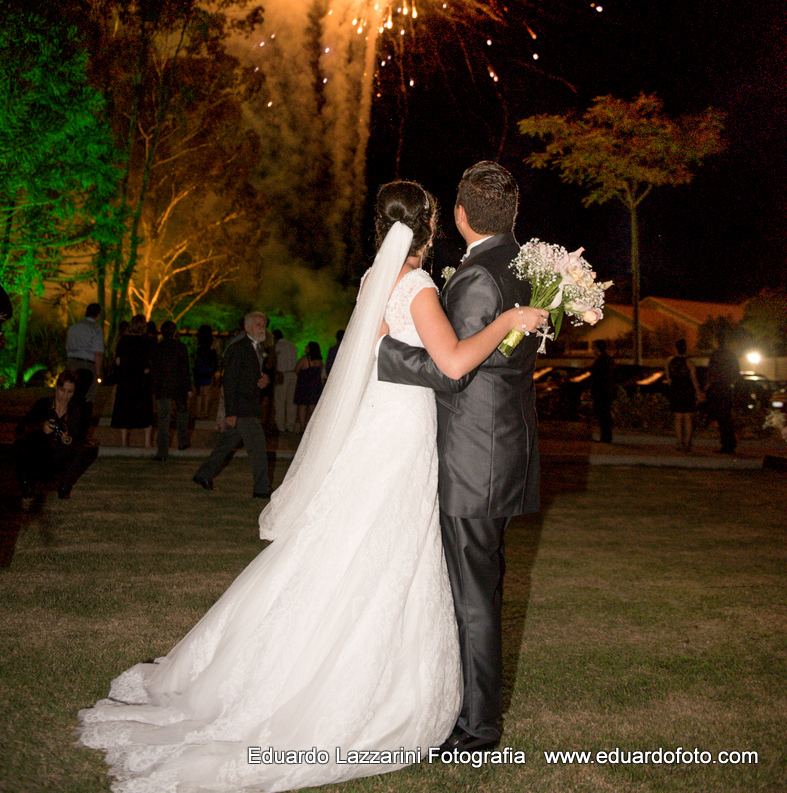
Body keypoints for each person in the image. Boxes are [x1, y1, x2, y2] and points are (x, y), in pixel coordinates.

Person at [79, 180, 542, 791]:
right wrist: (509, 319)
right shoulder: (420, 287)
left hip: (380, 426)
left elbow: (377, 355)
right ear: (430, 229)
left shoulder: (376, 280)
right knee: (385, 551)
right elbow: (452, 364)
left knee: (353, 547)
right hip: (403, 433)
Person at [377, 161, 543, 754]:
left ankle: (477, 729)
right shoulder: (525, 267)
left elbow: (454, 371)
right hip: (504, 448)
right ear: (512, 214)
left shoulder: (475, 278)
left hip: (474, 457)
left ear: (461, 214)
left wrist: (383, 354)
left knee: (473, 597)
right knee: (481, 587)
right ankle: (469, 709)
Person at [192, 311, 272, 497]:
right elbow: (229, 382)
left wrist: (265, 380)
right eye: (258, 324)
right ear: (247, 327)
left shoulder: (258, 347)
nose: (262, 328)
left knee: (226, 445)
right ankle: (262, 489)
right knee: (258, 448)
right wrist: (231, 412)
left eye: (264, 325)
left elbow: (258, 374)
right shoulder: (238, 348)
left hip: (250, 405)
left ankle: (203, 475)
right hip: (243, 408)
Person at [14, 370, 96, 502]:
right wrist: (41, 427)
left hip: (60, 455)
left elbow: (81, 436)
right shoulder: (43, 405)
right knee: (21, 444)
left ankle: (64, 488)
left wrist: (69, 439)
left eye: (70, 392)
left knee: (80, 450)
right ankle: (26, 485)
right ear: (57, 388)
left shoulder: (76, 411)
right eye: (62, 390)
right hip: (41, 453)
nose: (65, 396)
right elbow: (22, 427)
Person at [149, 320, 192, 460]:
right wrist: (188, 387)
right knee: (182, 413)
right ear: (174, 332)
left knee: (163, 419)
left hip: (163, 386)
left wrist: (154, 386)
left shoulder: (157, 347)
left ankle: (162, 451)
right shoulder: (181, 347)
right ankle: (182, 442)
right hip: (179, 386)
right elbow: (185, 369)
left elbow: (154, 369)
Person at [110, 314, 154, 449]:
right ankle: (147, 442)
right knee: (146, 411)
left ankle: (124, 441)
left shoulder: (123, 341)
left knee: (124, 410)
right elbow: (150, 361)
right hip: (141, 380)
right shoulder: (146, 341)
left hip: (126, 379)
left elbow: (118, 361)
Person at [65, 302, 105, 442]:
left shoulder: (73, 327)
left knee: (70, 397)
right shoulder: (96, 329)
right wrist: (98, 373)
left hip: (72, 363)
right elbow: (98, 353)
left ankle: (69, 430)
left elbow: (67, 346)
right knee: (88, 399)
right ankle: (81, 434)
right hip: (88, 365)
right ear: (98, 314)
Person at [665, 338, 703, 452]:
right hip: (687, 391)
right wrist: (698, 393)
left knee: (677, 418)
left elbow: (669, 379)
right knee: (688, 418)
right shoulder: (689, 363)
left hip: (676, 391)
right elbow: (694, 380)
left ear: (675, 348)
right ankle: (687, 443)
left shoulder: (669, 362)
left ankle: (679, 443)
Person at [706, 332, 739, 455]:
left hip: (718, 387)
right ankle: (730, 443)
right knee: (727, 416)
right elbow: (737, 372)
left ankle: (726, 445)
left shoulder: (715, 355)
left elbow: (710, 371)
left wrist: (710, 384)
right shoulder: (731, 355)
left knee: (721, 417)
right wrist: (730, 382)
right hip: (726, 387)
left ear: (717, 341)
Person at [293, 341, 324, 432]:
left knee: (302, 406)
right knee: (312, 405)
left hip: (304, 385)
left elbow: (296, 369)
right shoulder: (320, 361)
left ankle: (303, 427)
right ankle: (313, 426)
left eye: (307, 347)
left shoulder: (304, 359)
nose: (305, 348)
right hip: (315, 386)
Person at [272, 328, 298, 433]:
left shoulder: (277, 347)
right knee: (291, 401)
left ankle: (280, 426)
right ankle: (290, 425)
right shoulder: (293, 346)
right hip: (293, 374)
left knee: (280, 401)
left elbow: (274, 362)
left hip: (282, 375)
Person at [589, 338, 615, 444]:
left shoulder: (602, 360)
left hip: (602, 392)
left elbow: (599, 377)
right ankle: (605, 436)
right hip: (604, 391)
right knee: (604, 414)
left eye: (594, 348)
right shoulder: (606, 360)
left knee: (603, 414)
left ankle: (606, 436)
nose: (593, 350)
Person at [193, 324, 219, 419]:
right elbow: (216, 356)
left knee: (199, 393)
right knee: (207, 393)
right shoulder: (213, 343)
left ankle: (198, 412)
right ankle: (206, 413)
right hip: (208, 369)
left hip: (199, 369)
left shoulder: (198, 343)